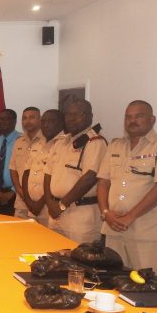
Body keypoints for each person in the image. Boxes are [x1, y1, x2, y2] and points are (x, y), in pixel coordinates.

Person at [97, 101, 157, 272]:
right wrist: (106, 213)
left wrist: (130, 217)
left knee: (145, 286)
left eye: (139, 116)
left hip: (145, 233)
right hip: (113, 228)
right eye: (128, 117)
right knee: (113, 280)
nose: (132, 121)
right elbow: (103, 182)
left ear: (152, 120)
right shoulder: (115, 145)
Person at [44, 99, 107, 243]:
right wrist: (49, 202)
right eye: (68, 115)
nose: (71, 119)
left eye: (78, 114)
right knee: (54, 258)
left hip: (80, 214)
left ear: (90, 116)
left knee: (80, 260)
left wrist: (62, 205)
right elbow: (47, 173)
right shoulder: (60, 142)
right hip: (55, 212)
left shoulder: (96, 142)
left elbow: (89, 178)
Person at [21, 109, 64, 225]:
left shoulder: (64, 144)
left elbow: (54, 177)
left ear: (61, 122)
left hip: (48, 208)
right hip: (31, 206)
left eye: (51, 121)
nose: (46, 125)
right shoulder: (37, 143)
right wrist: (28, 200)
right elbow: (26, 172)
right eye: (43, 121)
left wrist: (40, 203)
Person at [9, 107, 43, 219]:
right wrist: (19, 190)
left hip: (40, 202)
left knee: (41, 235)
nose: (27, 121)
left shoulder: (48, 140)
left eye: (32, 117)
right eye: (24, 118)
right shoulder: (18, 142)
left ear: (40, 119)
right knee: (19, 234)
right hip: (21, 200)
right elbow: (13, 168)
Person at [0, 109, 21, 216]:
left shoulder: (22, 141)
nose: (2, 122)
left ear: (14, 121)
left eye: (6, 119)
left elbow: (25, 170)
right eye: (0, 119)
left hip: (17, 194)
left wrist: (13, 191)